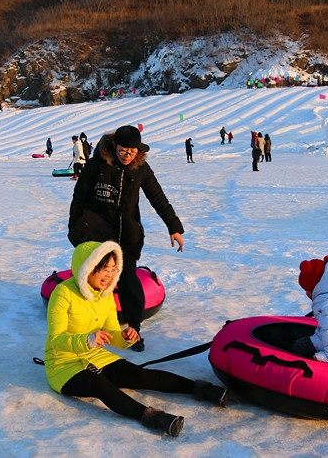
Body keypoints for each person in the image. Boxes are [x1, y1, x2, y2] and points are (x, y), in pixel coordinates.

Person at [44, 241, 227, 437]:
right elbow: (55, 339)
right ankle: (152, 417)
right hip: (63, 365)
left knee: (140, 375)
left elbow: (112, 333)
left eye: (114, 269)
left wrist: (125, 337)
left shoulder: (105, 295)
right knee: (98, 384)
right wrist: (88, 339)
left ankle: (201, 389)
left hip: (96, 357)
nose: (110, 275)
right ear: (87, 268)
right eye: (104, 269)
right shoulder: (63, 293)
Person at [68, 125, 184, 352]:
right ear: (115, 146)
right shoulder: (96, 164)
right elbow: (79, 196)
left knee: (128, 277)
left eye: (132, 150)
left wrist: (174, 227)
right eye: (123, 150)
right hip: (97, 233)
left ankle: (134, 329)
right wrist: (74, 225)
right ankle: (88, 325)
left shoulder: (141, 168)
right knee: (93, 278)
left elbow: (158, 197)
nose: (127, 154)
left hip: (127, 234)